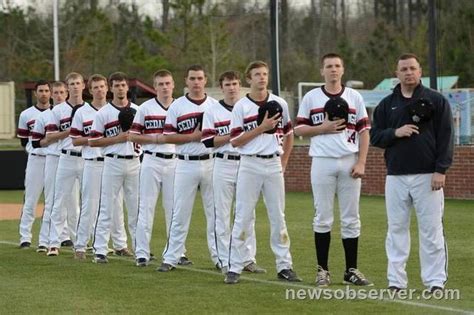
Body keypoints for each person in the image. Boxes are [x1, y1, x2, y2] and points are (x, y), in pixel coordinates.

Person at [370, 53, 453, 293]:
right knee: (396, 229)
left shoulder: (436, 100)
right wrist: (395, 132)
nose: (408, 73)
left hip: (428, 176)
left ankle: (435, 281)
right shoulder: (387, 104)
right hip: (395, 175)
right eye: (403, 69)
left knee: (431, 230)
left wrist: (441, 170)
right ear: (396, 74)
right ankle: (396, 281)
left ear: (420, 71)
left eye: (413, 68)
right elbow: (375, 136)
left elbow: (447, 137)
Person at [294, 53, 372, 287]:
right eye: (329, 66)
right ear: (322, 71)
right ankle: (323, 270)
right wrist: (322, 127)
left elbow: (364, 131)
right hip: (322, 161)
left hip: (349, 160)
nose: (333, 70)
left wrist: (362, 162)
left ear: (343, 69)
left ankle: (351, 270)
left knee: (351, 217)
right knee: (323, 217)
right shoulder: (311, 97)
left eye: (337, 65)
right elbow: (298, 129)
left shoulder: (354, 96)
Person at [225, 60, 300, 284]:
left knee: (278, 216)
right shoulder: (241, 106)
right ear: (249, 79)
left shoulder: (280, 103)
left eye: (265, 74)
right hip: (249, 164)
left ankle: (285, 266)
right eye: (257, 74)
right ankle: (235, 266)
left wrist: (284, 162)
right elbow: (235, 141)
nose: (262, 78)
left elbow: (289, 134)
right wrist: (261, 128)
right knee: (243, 215)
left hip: (273, 163)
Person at [201, 70, 264, 274]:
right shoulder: (213, 110)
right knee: (222, 213)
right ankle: (224, 259)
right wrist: (234, 136)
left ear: (240, 85)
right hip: (223, 162)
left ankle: (247, 258)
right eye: (227, 84)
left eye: (235, 83)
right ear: (221, 87)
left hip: (246, 162)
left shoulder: (247, 108)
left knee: (247, 213)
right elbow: (208, 141)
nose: (232, 87)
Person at [157, 65, 218, 272]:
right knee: (179, 212)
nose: (196, 82)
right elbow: (168, 136)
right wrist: (192, 136)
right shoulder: (177, 106)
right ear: (186, 81)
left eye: (200, 78)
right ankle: (171, 257)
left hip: (211, 161)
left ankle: (221, 258)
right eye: (192, 78)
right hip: (185, 162)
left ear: (205, 80)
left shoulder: (215, 105)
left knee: (216, 212)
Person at [130, 70, 184, 267]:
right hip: (151, 159)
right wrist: (155, 139)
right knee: (146, 207)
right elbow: (133, 136)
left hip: (175, 160)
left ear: (173, 85)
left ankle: (176, 252)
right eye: (160, 84)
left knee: (174, 208)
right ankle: (142, 252)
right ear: (155, 87)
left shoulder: (181, 107)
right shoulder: (145, 108)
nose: (164, 87)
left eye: (167, 83)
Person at [70, 74, 127, 259]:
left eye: (102, 86)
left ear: (107, 88)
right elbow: (75, 140)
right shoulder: (82, 112)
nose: (100, 90)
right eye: (96, 87)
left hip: (113, 162)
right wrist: (97, 139)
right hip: (93, 162)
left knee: (117, 206)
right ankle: (80, 246)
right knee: (90, 205)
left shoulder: (115, 111)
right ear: (90, 90)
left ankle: (120, 245)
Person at [90, 71, 140, 263]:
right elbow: (93, 141)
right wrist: (116, 139)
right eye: (116, 85)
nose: (120, 88)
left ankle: (140, 249)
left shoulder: (138, 109)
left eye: (122, 85)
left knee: (136, 209)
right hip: (112, 161)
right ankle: (100, 250)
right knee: (107, 207)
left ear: (127, 87)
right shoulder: (104, 113)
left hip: (135, 162)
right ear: (111, 88)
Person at [46, 72, 87, 256]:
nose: (75, 86)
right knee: (59, 200)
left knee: (88, 201)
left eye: (78, 83)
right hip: (66, 157)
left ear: (83, 85)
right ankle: (53, 242)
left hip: (86, 158)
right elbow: (49, 137)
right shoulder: (58, 110)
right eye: (72, 83)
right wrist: (69, 132)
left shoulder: (90, 110)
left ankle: (83, 241)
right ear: (67, 87)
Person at [31, 81, 72, 253]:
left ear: (67, 93)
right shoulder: (45, 115)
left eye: (62, 92)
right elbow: (36, 142)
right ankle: (44, 240)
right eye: (55, 92)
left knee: (71, 201)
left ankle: (67, 237)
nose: (59, 95)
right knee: (51, 199)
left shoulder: (73, 112)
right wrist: (53, 138)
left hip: (70, 158)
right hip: (53, 157)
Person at [17, 80, 51, 249]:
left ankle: (61, 236)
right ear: (36, 93)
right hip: (36, 159)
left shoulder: (57, 112)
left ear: (50, 93)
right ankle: (25, 236)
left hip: (54, 159)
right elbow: (24, 141)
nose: (44, 93)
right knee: (31, 199)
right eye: (41, 90)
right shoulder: (26, 114)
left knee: (55, 200)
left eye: (46, 90)